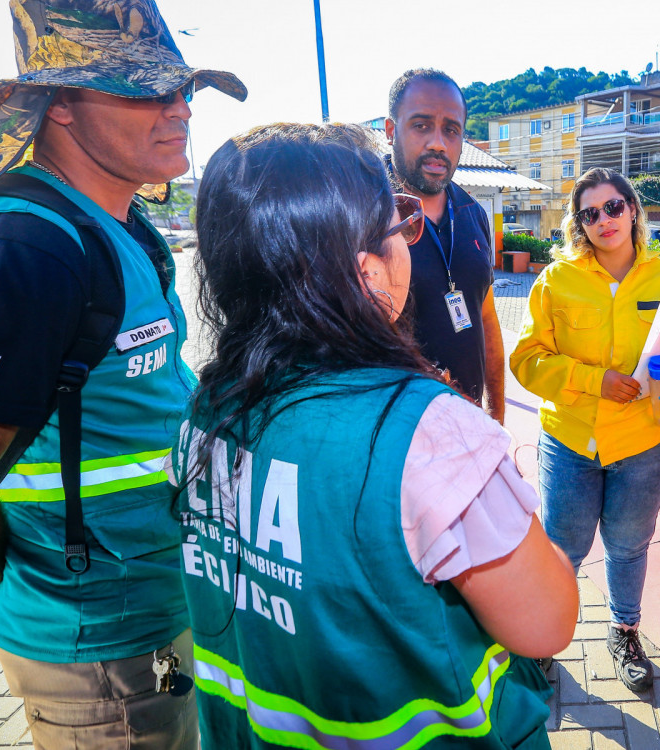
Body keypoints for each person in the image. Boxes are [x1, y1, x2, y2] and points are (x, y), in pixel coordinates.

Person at [176, 122, 578, 749]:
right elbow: (547, 624)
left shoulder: (206, 405)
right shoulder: (430, 429)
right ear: (365, 270)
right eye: (403, 226)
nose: (410, 243)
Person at [0, 2, 246, 746]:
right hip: (92, 644)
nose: (180, 109)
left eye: (181, 88)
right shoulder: (30, 247)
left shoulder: (120, 223)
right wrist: (19, 585)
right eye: (142, 89)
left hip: (152, 617)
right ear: (60, 106)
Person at [510, 168, 660, 692]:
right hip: (569, 441)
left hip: (648, 442)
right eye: (590, 213)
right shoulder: (554, 281)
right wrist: (593, 381)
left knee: (629, 546)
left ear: (633, 209)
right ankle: (545, 639)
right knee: (563, 547)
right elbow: (525, 360)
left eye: (613, 207)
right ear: (578, 225)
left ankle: (624, 631)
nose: (603, 220)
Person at [385, 68, 505, 421]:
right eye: (421, 125)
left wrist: (496, 419)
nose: (438, 142)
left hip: (470, 428)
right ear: (392, 131)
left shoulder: (473, 212)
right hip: (395, 437)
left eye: (451, 130)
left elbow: (485, 318)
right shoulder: (361, 213)